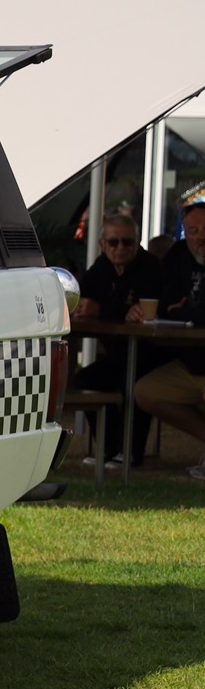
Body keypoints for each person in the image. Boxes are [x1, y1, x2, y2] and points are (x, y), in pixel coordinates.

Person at [72, 210, 163, 466]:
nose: (120, 248)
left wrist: (101, 309)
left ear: (138, 242)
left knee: (133, 383)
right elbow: (82, 298)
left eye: (127, 242)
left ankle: (132, 454)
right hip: (117, 354)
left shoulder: (150, 268)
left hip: (151, 353)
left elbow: (146, 311)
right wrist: (80, 307)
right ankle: (111, 449)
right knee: (85, 380)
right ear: (103, 244)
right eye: (113, 242)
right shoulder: (100, 267)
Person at [133, 192, 205, 480]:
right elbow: (163, 303)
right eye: (193, 231)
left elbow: (192, 313)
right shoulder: (177, 255)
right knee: (145, 391)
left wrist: (186, 311)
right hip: (191, 363)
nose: (200, 238)